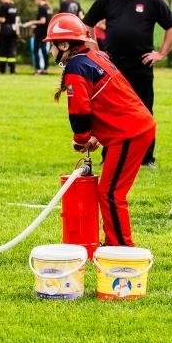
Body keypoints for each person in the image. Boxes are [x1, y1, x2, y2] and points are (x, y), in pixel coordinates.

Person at [45, 13, 155, 246]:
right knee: (110, 192)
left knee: (111, 193)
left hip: (129, 132)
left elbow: (80, 111)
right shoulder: (91, 57)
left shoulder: (77, 66)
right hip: (133, 129)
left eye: (52, 45)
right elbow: (102, 100)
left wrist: (83, 138)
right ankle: (116, 244)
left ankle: (121, 248)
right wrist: (92, 136)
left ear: (64, 44)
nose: (51, 51)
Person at [82, 0, 172, 169]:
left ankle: (146, 159)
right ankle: (109, 155)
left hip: (141, 65)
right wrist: (96, 52)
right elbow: (87, 23)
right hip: (112, 66)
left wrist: (161, 53)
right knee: (110, 110)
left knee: (144, 111)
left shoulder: (152, 0)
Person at [23, 0, 53, 75]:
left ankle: (38, 68)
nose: (35, 1)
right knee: (44, 50)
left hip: (40, 32)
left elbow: (42, 21)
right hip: (46, 32)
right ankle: (45, 68)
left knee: (36, 50)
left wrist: (31, 22)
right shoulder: (48, 7)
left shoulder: (42, 8)